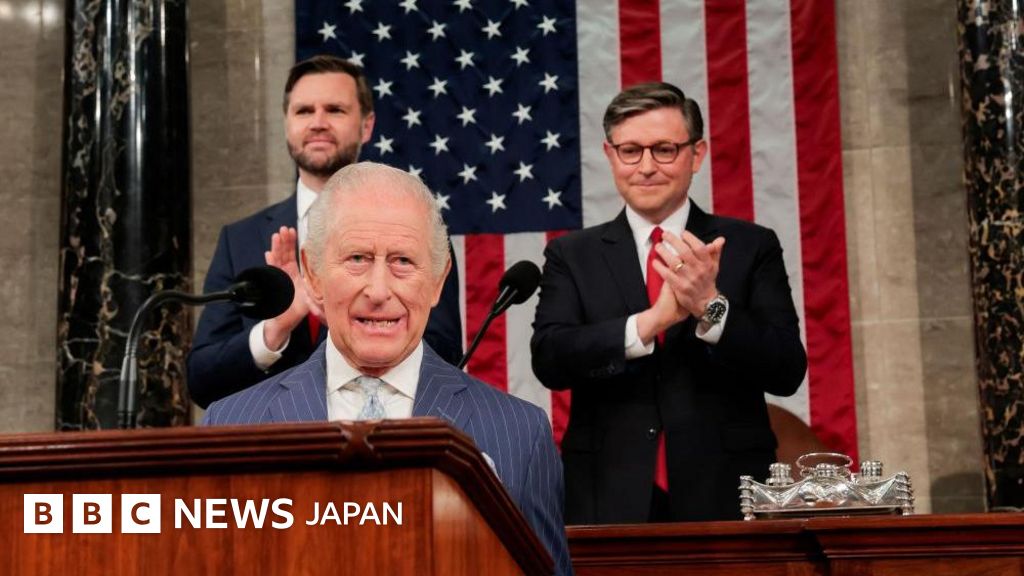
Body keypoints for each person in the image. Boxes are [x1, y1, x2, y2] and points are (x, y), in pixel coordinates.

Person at [203, 162, 572, 575]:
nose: (379, 291)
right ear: (314, 275)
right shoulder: (231, 426)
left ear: (438, 281)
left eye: (403, 261)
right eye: (357, 258)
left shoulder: (520, 435)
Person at [530, 82, 807, 524]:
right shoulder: (572, 254)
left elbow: (787, 370)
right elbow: (550, 359)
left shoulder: (750, 246)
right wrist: (649, 322)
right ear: (609, 155)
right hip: (607, 494)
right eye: (630, 151)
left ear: (696, 154)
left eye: (664, 150)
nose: (646, 167)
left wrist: (711, 307)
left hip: (725, 494)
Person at [188, 56, 463, 408]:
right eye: (304, 111)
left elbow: (446, 356)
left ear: (366, 125)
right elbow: (202, 381)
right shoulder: (240, 239)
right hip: (273, 435)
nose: (318, 123)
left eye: (335, 110)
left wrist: (339, 313)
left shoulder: (417, 230)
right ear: (287, 123)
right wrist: (274, 330)